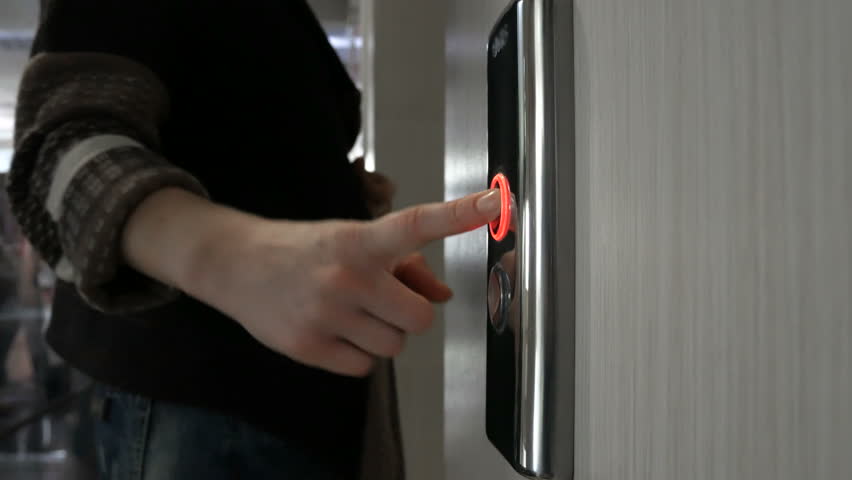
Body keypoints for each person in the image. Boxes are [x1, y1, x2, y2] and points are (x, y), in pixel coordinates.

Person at [7, 1, 501, 479]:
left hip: (277, 412)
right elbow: (59, 152)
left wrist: (336, 255)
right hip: (209, 413)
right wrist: (235, 259)